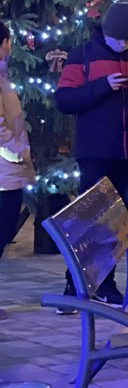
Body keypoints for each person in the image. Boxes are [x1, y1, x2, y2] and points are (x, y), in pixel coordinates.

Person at [55, 3, 128, 307]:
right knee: (89, 221)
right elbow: (65, 99)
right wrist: (103, 86)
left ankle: (105, 283)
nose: (122, 46)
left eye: (127, 41)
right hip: (95, 151)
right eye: (117, 41)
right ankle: (75, 283)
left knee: (117, 222)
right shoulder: (84, 54)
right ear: (105, 33)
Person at [0, 21, 32, 318]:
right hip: (4, 171)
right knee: (3, 230)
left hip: (8, 170)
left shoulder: (2, 74)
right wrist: (14, 154)